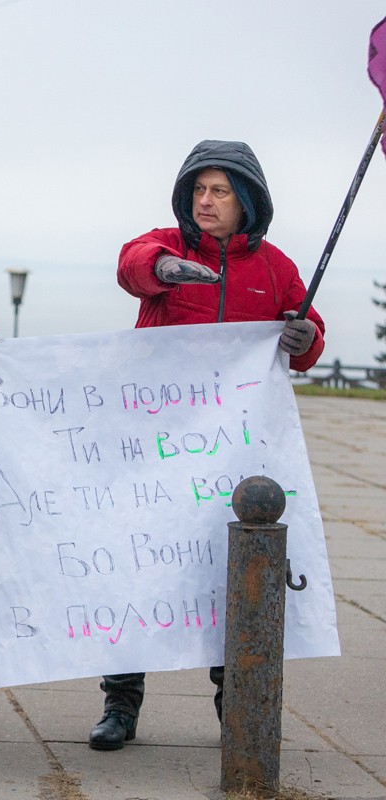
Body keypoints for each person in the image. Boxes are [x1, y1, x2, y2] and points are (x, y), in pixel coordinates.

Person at [92, 139, 325, 751]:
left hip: (234, 453)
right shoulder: (164, 245)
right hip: (155, 445)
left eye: (219, 190)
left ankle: (235, 702)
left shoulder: (276, 268)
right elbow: (130, 264)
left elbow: (306, 339)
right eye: (198, 189)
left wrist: (304, 337)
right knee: (139, 567)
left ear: (246, 200)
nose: (205, 201)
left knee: (228, 572)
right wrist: (163, 270)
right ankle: (121, 702)